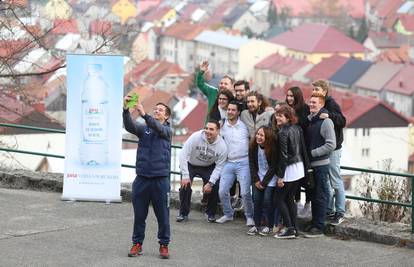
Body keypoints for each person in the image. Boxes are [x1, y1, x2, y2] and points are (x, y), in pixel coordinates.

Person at [123, 95, 172, 259]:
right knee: (139, 215)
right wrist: (125, 110)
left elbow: (158, 127)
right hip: (142, 179)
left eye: (161, 110)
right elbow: (129, 126)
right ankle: (137, 243)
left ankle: (164, 244)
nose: (157, 111)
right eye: (155, 109)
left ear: (167, 116)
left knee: (163, 216)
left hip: (160, 180)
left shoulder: (167, 130)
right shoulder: (144, 128)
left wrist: (144, 114)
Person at [177, 120, 228, 223]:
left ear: (218, 131)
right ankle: (183, 213)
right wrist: (186, 176)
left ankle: (210, 213)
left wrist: (210, 183)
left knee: (215, 185)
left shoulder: (222, 146)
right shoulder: (195, 137)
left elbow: (219, 167)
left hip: (208, 166)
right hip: (191, 163)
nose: (207, 131)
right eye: (206, 128)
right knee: (185, 185)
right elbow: (183, 154)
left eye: (211, 129)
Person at [312, 79, 347, 226]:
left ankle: (340, 211)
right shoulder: (317, 103)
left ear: (325, 91)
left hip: (333, 148)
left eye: (317, 90)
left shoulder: (331, 104)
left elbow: (342, 121)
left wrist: (329, 116)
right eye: (313, 89)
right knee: (326, 182)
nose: (314, 92)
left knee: (335, 179)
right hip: (324, 148)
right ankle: (329, 209)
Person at [273, 105, 310, 239]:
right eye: (277, 115)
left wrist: (281, 176)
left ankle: (289, 228)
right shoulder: (297, 128)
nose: (277, 117)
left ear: (288, 117)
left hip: (288, 169)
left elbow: (283, 156)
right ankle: (294, 228)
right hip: (299, 167)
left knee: (279, 199)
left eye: (280, 115)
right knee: (290, 198)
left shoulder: (282, 132)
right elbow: (302, 150)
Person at [216, 101, 254, 226]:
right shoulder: (222, 126)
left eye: (233, 110)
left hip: (244, 162)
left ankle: (249, 216)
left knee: (245, 192)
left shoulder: (244, 126)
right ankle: (228, 214)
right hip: (228, 162)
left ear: (238, 112)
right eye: (229, 109)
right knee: (222, 191)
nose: (230, 112)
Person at [303, 92, 336, 237]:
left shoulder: (326, 122)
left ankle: (319, 226)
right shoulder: (310, 120)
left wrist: (313, 153)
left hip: (321, 165)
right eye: (310, 102)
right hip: (311, 165)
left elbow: (331, 145)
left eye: (314, 102)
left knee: (320, 195)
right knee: (313, 195)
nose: (311, 104)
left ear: (321, 105)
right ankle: (314, 222)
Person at [285, 86, 312, 218]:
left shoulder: (305, 109)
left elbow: (306, 126)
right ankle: (296, 202)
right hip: (291, 149)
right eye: (288, 96)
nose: (289, 98)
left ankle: (307, 204)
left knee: (306, 179)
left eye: (292, 96)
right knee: (293, 179)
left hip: (303, 148)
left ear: (297, 97)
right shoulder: (285, 109)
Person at [247, 126, 278, 236]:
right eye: (258, 134)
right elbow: (251, 164)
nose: (258, 137)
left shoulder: (273, 148)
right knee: (256, 200)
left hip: (270, 179)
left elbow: (274, 167)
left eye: (262, 135)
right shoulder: (253, 146)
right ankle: (256, 225)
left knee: (267, 201)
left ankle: (269, 225)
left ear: (267, 137)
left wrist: (264, 182)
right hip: (258, 177)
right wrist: (256, 180)